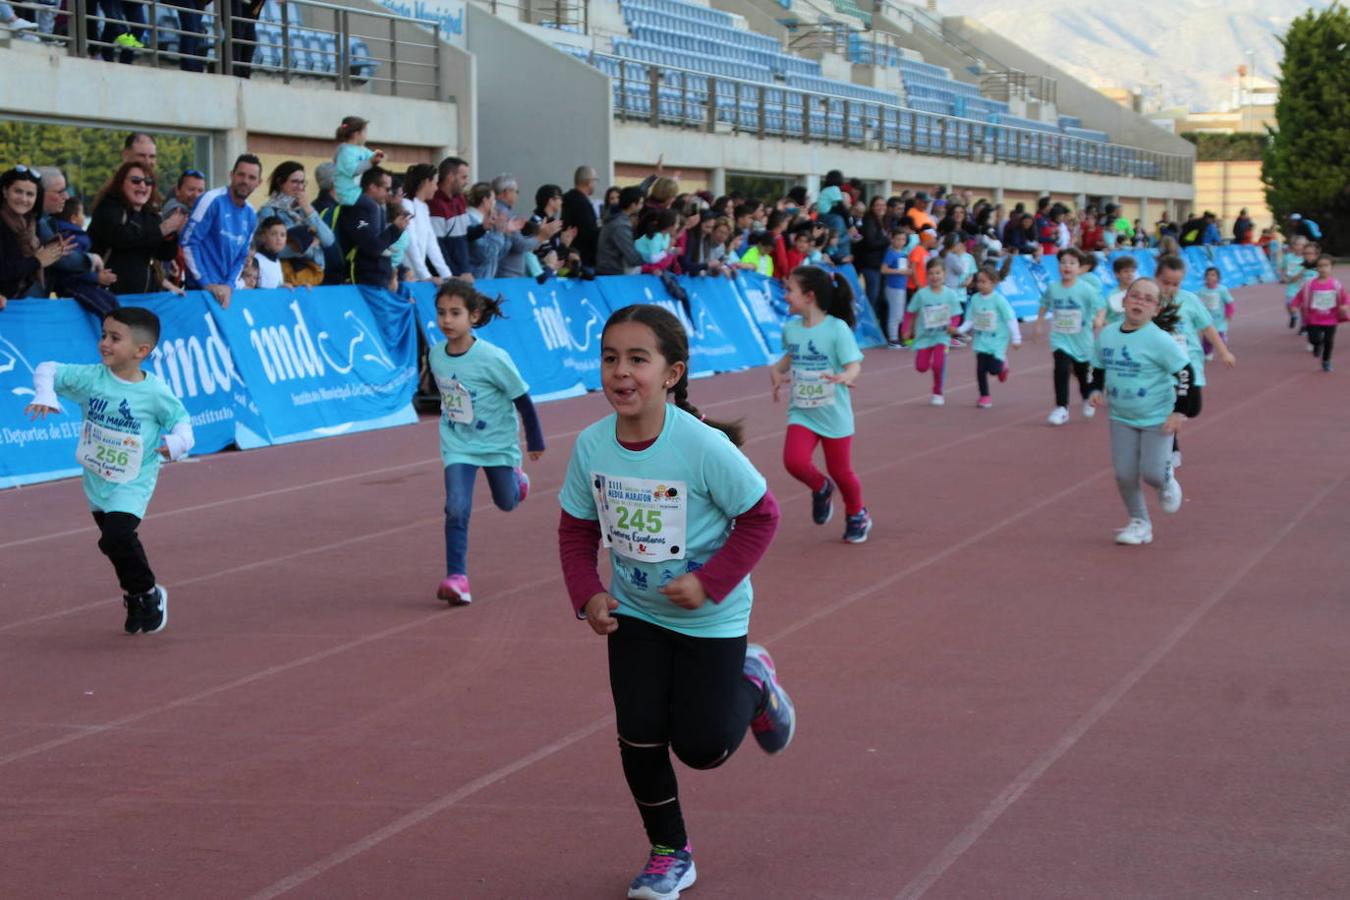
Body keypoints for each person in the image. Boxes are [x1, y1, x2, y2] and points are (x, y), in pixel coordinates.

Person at [557, 303, 792, 900]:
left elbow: (761, 517)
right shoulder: (591, 446)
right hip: (635, 614)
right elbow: (576, 529)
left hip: (710, 618)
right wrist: (587, 592)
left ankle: (755, 680)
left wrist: (710, 582)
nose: (621, 372)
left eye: (638, 358)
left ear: (672, 373)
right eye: (610, 358)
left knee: (703, 748)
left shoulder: (702, 446)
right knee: (638, 736)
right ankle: (669, 852)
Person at [24, 307, 194, 634]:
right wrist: (45, 393)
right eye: (103, 334)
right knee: (114, 542)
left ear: (141, 351)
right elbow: (48, 369)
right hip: (97, 478)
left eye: (115, 338)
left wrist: (177, 444)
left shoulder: (154, 392)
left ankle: (148, 592)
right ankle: (134, 594)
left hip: (133, 480)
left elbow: (181, 421)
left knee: (116, 536)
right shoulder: (92, 378)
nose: (104, 343)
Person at [428, 280, 545, 604]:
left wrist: (534, 439)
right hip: (458, 444)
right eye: (441, 313)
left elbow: (522, 397)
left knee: (506, 502)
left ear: (474, 316)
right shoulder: (437, 354)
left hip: (497, 445)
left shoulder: (493, 357)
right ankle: (457, 578)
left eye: (455, 313)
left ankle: (517, 482)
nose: (446, 321)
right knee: (456, 507)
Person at [769, 266, 870, 542]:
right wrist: (777, 372)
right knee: (794, 461)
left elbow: (854, 365)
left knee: (842, 472)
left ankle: (857, 513)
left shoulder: (836, 329)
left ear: (809, 296)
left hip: (833, 413)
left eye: (790, 290)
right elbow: (789, 358)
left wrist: (845, 376)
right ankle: (821, 487)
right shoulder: (791, 329)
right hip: (802, 411)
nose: (785, 296)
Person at [1089, 277, 1192, 546]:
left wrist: (1178, 412)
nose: (1140, 302)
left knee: (1153, 474)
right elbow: (1098, 365)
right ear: (1124, 301)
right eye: (1135, 296)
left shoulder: (1160, 340)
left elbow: (1185, 372)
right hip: (1121, 415)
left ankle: (1167, 481)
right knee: (1124, 473)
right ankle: (1139, 522)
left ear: (1156, 310)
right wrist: (1095, 389)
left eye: (1148, 299)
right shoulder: (1108, 334)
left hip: (1157, 417)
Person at [1155, 254, 1236, 468]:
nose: (1170, 288)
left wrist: (1223, 351)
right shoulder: (1151, 301)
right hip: (1162, 368)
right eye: (1165, 283)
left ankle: (1174, 422)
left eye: (1176, 284)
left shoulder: (1189, 300)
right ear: (1156, 278)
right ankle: (1172, 449)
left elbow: (1208, 327)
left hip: (1190, 363)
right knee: (1170, 408)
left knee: (1193, 408)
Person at [84, 162, 184, 297]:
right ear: (120, 184)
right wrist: (161, 230)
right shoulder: (108, 207)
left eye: (148, 182)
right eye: (136, 181)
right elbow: (120, 238)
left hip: (145, 296)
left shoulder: (151, 215)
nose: (143, 186)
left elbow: (163, 254)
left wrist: (171, 234)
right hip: (110, 296)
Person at [181, 154, 261, 308]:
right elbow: (188, 242)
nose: (245, 181)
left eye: (252, 177)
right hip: (199, 293)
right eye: (241, 175)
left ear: (258, 182)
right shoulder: (211, 200)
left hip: (225, 294)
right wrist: (206, 283)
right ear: (232, 175)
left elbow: (242, 256)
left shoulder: (251, 214)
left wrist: (229, 285)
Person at [1035, 247, 1102, 426]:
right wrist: (1039, 323)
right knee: (1061, 368)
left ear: (1079, 268)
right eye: (1064, 262)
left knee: (1081, 374)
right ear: (1059, 266)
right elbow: (1044, 304)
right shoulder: (1053, 288)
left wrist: (1099, 320)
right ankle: (1061, 408)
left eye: (1072, 263)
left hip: (1082, 339)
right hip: (1060, 338)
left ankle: (1087, 398)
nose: (1067, 266)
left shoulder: (1086, 289)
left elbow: (1100, 306)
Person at [257, 161, 338, 286]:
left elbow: (328, 240)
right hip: (284, 280)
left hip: (309, 278)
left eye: (302, 182)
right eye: (295, 182)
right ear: (280, 183)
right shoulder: (269, 211)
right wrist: (309, 247)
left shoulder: (303, 210)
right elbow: (269, 248)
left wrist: (308, 210)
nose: (300, 187)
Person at [954, 265, 1022, 408]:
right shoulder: (974, 299)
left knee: (994, 370)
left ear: (993, 282)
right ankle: (985, 396)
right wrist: (959, 330)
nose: (980, 285)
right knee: (980, 370)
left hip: (997, 341)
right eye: (978, 281)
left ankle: (1003, 365)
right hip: (980, 340)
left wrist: (1016, 338)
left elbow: (1010, 318)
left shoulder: (999, 300)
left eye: (984, 282)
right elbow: (970, 319)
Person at [1, 167, 73, 299]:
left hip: (19, 300)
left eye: (30, 194)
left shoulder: (32, 224)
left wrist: (51, 251)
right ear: (5, 191)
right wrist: (37, 260)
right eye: (18, 191)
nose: (23, 199)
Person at [902, 257, 964, 406]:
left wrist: (953, 326)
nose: (935, 277)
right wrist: (906, 329)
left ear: (944, 273)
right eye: (931, 273)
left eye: (938, 273)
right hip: (924, 336)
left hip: (941, 336)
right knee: (921, 367)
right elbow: (910, 312)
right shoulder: (921, 294)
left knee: (938, 364)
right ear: (926, 275)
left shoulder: (950, 294)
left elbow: (956, 314)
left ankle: (938, 392)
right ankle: (929, 362)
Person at [337, 166, 410, 287]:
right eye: (387, 189)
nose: (389, 193)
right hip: (360, 282)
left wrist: (397, 230)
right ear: (372, 187)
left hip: (376, 280)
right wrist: (395, 229)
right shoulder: (356, 209)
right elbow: (372, 247)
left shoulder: (375, 208)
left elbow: (380, 245)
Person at [1291, 255, 1349, 373]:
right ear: (1316, 268)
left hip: (1330, 319)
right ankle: (1317, 345)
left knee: (1329, 341)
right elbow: (1299, 296)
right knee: (1314, 339)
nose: (1323, 269)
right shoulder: (1309, 284)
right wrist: (1294, 306)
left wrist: (1344, 306)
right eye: (1320, 266)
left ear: (1331, 268)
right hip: (1313, 318)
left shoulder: (1336, 284)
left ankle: (1326, 361)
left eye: (1326, 266)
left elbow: (1345, 297)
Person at [400, 163, 454, 284]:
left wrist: (447, 275)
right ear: (425, 182)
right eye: (435, 183)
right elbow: (410, 243)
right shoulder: (406, 204)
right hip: (404, 275)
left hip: (416, 276)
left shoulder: (424, 207)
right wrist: (425, 276)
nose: (436, 188)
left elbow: (432, 244)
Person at [333, 116, 384, 207]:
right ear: (357, 134)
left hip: (357, 193)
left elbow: (371, 156)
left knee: (378, 208)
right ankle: (364, 222)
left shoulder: (361, 149)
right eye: (365, 132)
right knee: (372, 208)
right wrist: (371, 162)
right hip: (348, 194)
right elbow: (354, 170)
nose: (366, 135)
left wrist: (378, 156)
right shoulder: (345, 151)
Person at [596, 186, 645, 276]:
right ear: (633, 205)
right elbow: (632, 257)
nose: (642, 206)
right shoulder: (620, 225)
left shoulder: (615, 219)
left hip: (608, 271)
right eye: (641, 203)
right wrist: (649, 261)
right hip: (612, 273)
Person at [562, 165, 601, 267]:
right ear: (589, 182)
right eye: (595, 181)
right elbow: (590, 233)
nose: (595, 184)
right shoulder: (583, 204)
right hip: (583, 260)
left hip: (569, 257)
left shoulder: (566, 199)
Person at [880, 228, 910, 347]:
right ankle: (892, 339)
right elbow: (883, 269)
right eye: (898, 239)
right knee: (894, 313)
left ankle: (896, 337)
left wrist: (907, 271)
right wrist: (899, 271)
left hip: (901, 286)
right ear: (892, 239)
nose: (901, 241)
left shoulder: (903, 253)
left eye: (903, 239)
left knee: (899, 314)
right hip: (893, 287)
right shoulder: (890, 253)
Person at [1196, 267, 1235, 357]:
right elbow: (1197, 302)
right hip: (1207, 318)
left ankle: (1223, 349)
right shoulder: (1202, 290)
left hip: (1220, 319)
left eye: (1213, 275)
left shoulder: (1222, 290)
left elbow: (1229, 302)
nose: (1210, 277)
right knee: (1207, 337)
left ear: (1218, 278)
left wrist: (1229, 313)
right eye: (1208, 275)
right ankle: (1208, 353)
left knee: (1219, 336)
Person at [1097, 255, 1138, 330]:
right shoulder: (1110, 296)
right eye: (1126, 271)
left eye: (1132, 271)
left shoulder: (1139, 293)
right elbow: (1103, 317)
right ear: (1117, 274)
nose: (1130, 274)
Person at [247, 217, 287, 290]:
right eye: (274, 234)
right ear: (263, 237)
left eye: (282, 235)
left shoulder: (277, 262)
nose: (279, 238)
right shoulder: (254, 260)